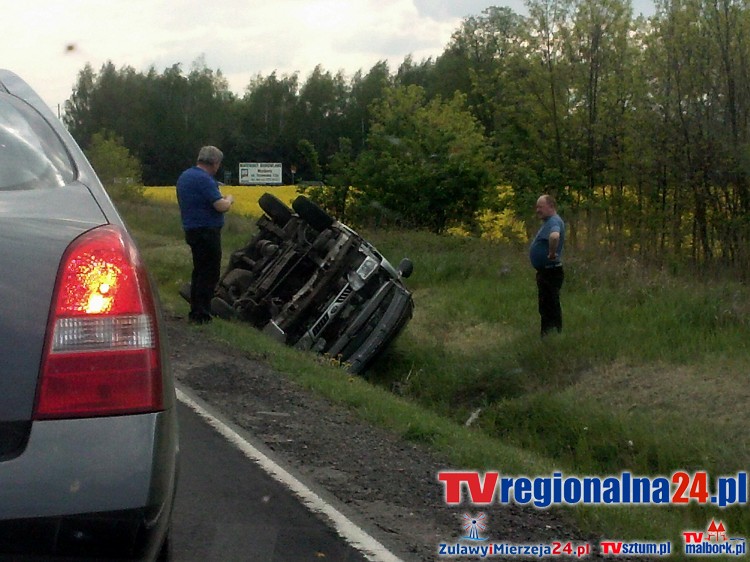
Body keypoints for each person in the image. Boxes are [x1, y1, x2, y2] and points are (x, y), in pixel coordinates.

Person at [176, 146, 234, 324]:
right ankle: (202, 314)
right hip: (207, 231)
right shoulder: (204, 179)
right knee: (209, 274)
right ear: (215, 163)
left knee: (199, 271)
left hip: (192, 229)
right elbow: (220, 206)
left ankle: (195, 311)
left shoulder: (185, 176)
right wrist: (229, 199)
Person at [529, 194, 565, 336]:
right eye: (536, 207)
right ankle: (548, 334)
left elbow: (555, 236)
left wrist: (551, 253)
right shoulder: (549, 221)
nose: (538, 210)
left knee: (550, 305)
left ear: (551, 206)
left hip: (550, 271)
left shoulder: (554, 221)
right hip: (546, 272)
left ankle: (552, 334)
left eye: (541, 207)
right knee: (546, 304)